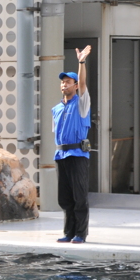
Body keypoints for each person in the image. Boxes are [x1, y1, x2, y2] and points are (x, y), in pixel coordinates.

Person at [53, 45, 92, 244]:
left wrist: (81, 62)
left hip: (77, 154)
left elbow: (83, 82)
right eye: (62, 82)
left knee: (79, 197)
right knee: (65, 198)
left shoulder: (81, 103)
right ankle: (68, 232)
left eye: (68, 82)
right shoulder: (56, 109)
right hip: (61, 155)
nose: (64, 85)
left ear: (75, 86)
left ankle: (80, 233)